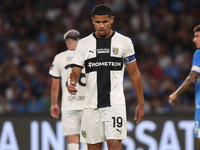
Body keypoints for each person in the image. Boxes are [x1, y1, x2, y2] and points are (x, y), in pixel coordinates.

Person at [67, 4, 144, 150]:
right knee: (93, 147)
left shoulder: (124, 42)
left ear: (112, 20)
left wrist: (141, 103)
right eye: (97, 22)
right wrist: (71, 82)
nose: (101, 26)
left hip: (115, 103)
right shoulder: (83, 44)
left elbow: (134, 73)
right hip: (91, 104)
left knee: (114, 144)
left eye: (105, 22)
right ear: (92, 21)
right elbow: (76, 70)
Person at [49, 29, 87, 150]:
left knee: (72, 141)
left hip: (69, 105)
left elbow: (55, 85)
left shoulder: (59, 58)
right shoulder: (88, 55)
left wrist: (54, 104)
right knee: (90, 140)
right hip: (88, 104)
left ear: (67, 43)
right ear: (80, 41)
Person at [168, 24, 200, 150]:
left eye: (197, 36)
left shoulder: (199, 54)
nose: (194, 39)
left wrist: (175, 94)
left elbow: (192, 78)